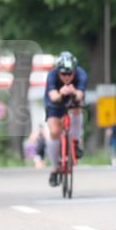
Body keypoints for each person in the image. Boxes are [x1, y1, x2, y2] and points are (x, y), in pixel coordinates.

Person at [44, 51, 87, 187]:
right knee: (55, 132)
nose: (67, 77)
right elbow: (53, 96)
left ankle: (75, 141)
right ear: (58, 72)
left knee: (77, 109)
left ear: (75, 71)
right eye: (63, 74)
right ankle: (54, 168)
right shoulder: (52, 75)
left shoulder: (81, 74)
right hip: (55, 102)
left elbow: (80, 95)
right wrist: (61, 92)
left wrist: (74, 92)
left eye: (70, 73)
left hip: (73, 99)